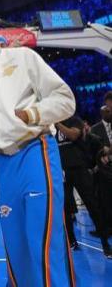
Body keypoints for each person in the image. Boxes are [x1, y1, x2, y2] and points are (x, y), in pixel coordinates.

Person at [0, 23, 76, 286]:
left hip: (34, 150)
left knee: (43, 242)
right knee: (16, 249)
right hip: (4, 164)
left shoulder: (22, 57)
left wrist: (32, 114)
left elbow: (66, 99)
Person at [56, 114, 111, 257]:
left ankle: (105, 244)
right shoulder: (51, 127)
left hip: (80, 169)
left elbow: (73, 135)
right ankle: (72, 241)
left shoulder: (74, 120)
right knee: (66, 209)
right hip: (62, 171)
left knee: (93, 205)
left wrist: (57, 124)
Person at [87, 92, 112, 246]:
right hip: (103, 171)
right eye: (107, 107)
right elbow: (92, 151)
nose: (109, 110)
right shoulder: (95, 129)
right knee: (105, 200)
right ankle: (106, 228)